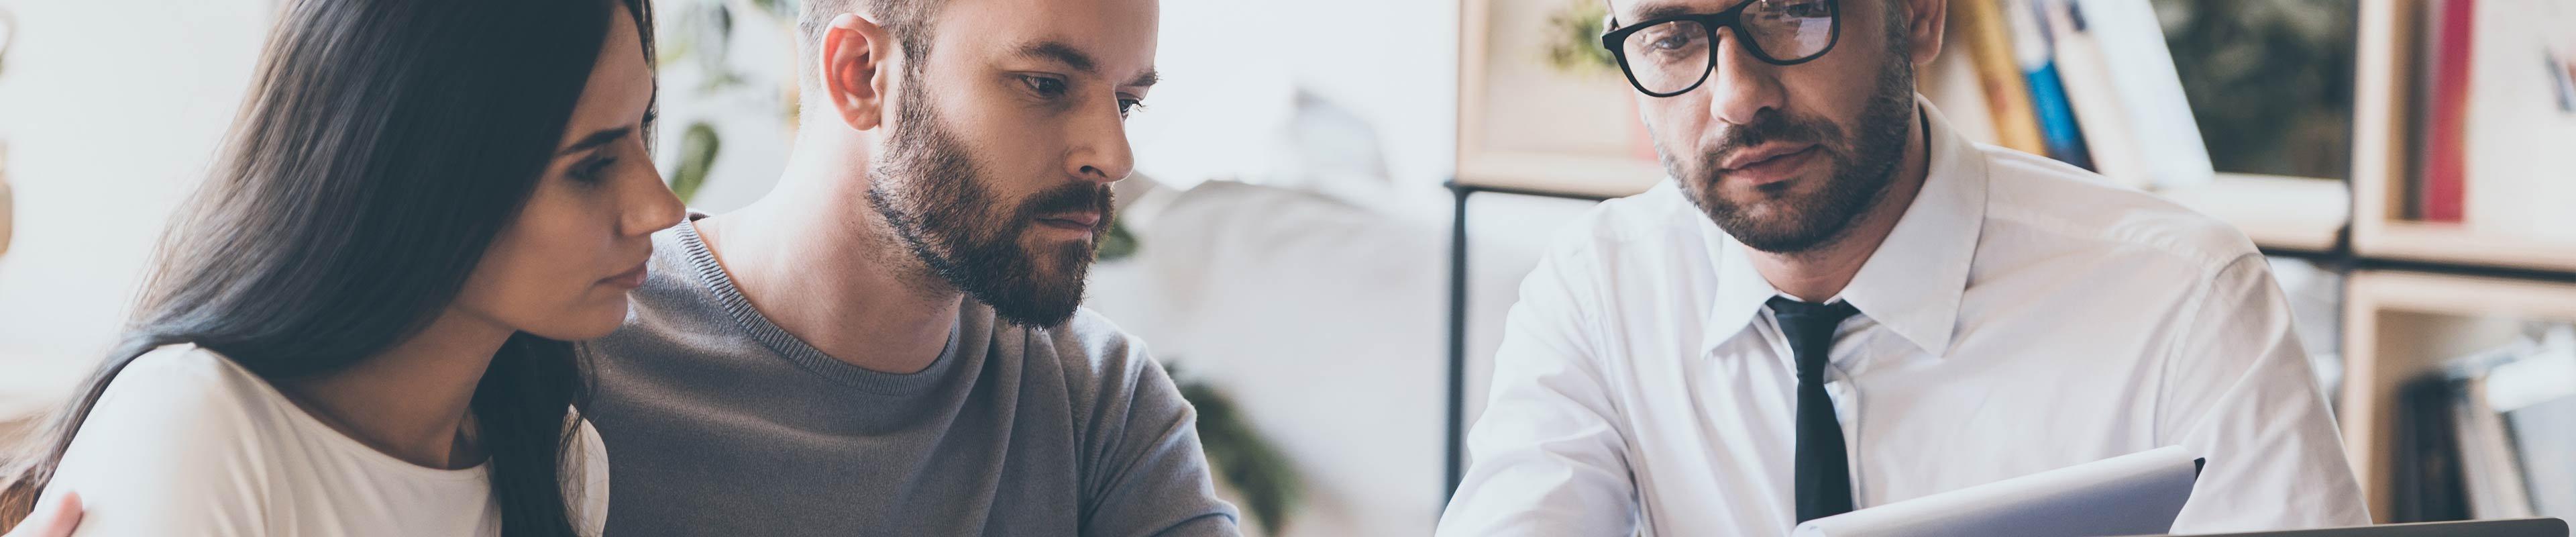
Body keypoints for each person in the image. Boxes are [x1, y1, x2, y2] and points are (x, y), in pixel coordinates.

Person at [1436, 0, 2369, 534]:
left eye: (1789, 11)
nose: (1737, 97)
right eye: (1674, 35)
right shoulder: (1599, 295)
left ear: (1918, 16)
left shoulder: (2183, 300)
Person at [0, 0, 682, 534]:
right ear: (416, 178)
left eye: (641, 127)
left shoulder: (563, 461)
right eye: (592, 166)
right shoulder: (200, 429)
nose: (662, 205)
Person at [572, 0, 1236, 534]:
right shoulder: (576, 350)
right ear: (862, 74)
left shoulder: (1099, 402)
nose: (1115, 157)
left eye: (1125, 102)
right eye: (1047, 85)